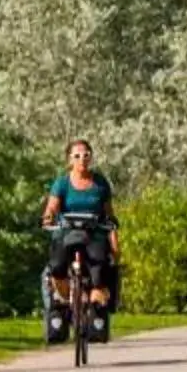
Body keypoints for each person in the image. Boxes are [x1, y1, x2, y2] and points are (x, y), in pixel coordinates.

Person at [39, 138, 119, 331]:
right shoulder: (62, 183)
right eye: (77, 156)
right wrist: (48, 217)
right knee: (57, 266)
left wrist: (115, 241)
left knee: (99, 269)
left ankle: (94, 306)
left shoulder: (100, 183)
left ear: (91, 158)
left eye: (86, 155)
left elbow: (110, 216)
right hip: (66, 233)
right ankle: (64, 299)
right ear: (70, 159)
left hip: (94, 234)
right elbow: (52, 206)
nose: (82, 159)